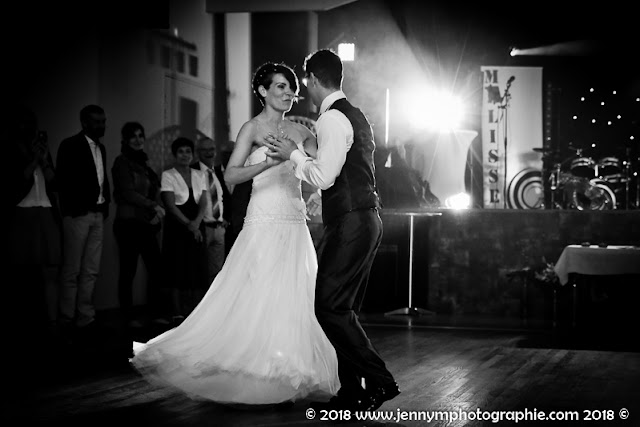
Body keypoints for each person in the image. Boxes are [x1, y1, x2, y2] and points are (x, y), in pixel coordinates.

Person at [130, 61, 339, 405]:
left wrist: (319, 174)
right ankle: (253, 367)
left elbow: (324, 166)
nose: (288, 93)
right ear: (262, 91)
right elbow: (230, 176)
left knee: (292, 293)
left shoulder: (302, 132)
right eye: (280, 87)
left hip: (294, 221)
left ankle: (285, 366)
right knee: (258, 290)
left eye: (291, 87)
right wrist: (267, 164)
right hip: (263, 219)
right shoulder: (252, 129)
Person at [264, 49, 400, 411]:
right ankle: (352, 392)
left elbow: (325, 177)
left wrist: (293, 154)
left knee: (328, 307)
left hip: (353, 220)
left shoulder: (332, 120)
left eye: (304, 81)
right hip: (361, 218)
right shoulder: (353, 115)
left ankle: (380, 380)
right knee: (341, 308)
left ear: (311, 79)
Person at [8, 105, 62, 343]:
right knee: (24, 270)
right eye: (25, 123)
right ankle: (27, 321)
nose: (30, 128)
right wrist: (33, 159)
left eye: (33, 123)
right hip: (23, 212)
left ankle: (52, 322)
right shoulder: (11, 149)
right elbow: (15, 179)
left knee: (51, 268)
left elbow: (52, 180)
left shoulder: (40, 149)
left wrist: (44, 158)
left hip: (46, 210)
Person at [56, 104, 110, 344]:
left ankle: (85, 317)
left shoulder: (102, 148)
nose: (102, 125)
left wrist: (103, 207)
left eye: (103, 121)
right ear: (84, 123)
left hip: (98, 213)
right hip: (78, 214)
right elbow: (63, 181)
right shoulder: (70, 145)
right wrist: (71, 211)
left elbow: (101, 178)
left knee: (91, 269)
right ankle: (66, 318)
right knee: (72, 269)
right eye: (97, 121)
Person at [112, 122, 166, 329]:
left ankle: (155, 313)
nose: (138, 139)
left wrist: (155, 212)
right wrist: (154, 206)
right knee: (128, 270)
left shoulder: (144, 165)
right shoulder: (121, 162)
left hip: (145, 223)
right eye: (133, 136)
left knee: (156, 269)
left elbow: (155, 192)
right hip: (128, 223)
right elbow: (127, 193)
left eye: (140, 135)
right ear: (125, 140)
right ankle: (128, 316)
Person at [159, 137, 209, 323]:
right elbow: (170, 206)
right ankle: (177, 311)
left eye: (188, 151)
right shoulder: (168, 175)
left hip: (197, 223)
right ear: (174, 154)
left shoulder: (199, 174)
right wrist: (189, 224)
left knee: (198, 267)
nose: (185, 155)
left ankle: (196, 310)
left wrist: (196, 223)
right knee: (177, 267)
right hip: (177, 227)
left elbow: (204, 202)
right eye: (181, 151)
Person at [191, 137, 227, 283]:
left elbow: (223, 198)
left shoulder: (218, 172)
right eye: (204, 150)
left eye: (211, 149)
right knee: (199, 271)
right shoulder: (191, 171)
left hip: (219, 229)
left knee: (217, 274)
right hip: (202, 228)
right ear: (197, 152)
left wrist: (225, 218)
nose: (209, 153)